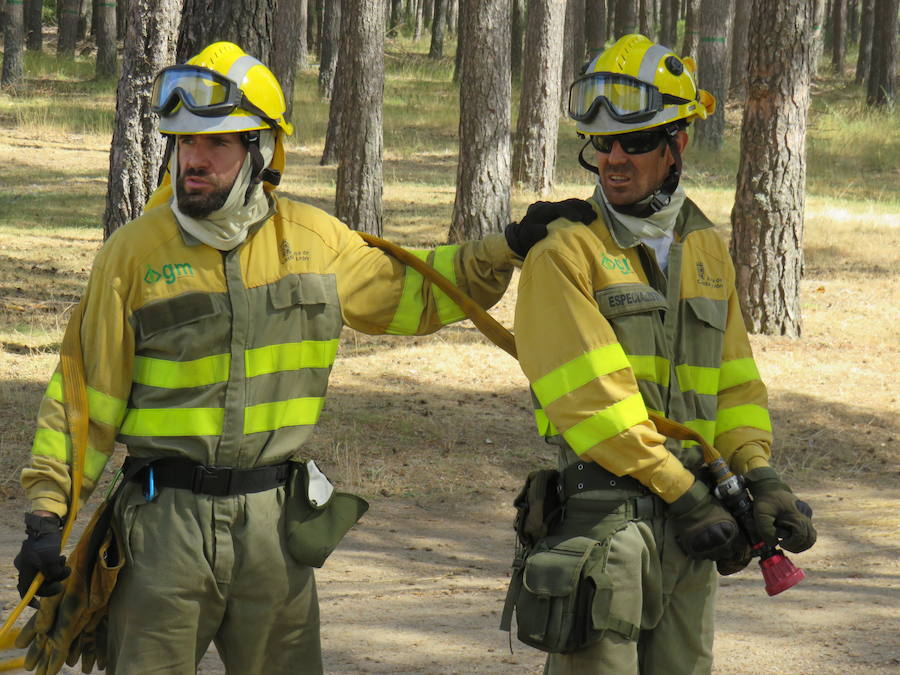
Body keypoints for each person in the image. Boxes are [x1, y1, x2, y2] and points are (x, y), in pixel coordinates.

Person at [13, 42, 591, 674]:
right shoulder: (133, 257)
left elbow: (417, 293)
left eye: (217, 145)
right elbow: (80, 401)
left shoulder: (317, 243)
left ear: (262, 152)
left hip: (273, 531)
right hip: (161, 531)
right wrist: (47, 516)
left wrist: (507, 245)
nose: (194, 161)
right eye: (184, 144)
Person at [511, 34, 817, 674]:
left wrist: (758, 473)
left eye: (637, 141)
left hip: (693, 532)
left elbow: (732, 384)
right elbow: (592, 402)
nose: (614, 159)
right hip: (605, 533)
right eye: (602, 145)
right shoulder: (565, 252)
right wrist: (685, 492)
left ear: (678, 142)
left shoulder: (704, 244)